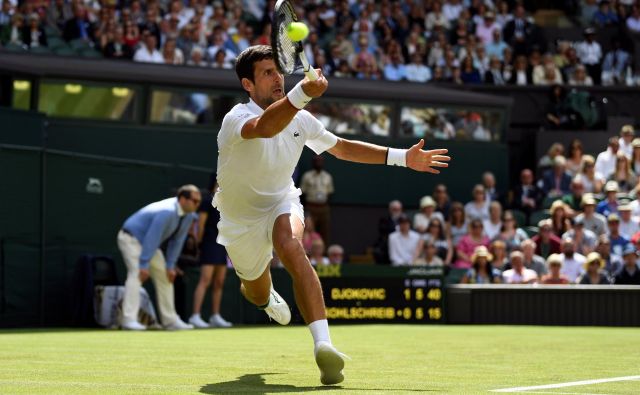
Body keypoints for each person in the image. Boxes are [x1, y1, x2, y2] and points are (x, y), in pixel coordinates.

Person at [214, 45, 449, 385]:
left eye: (279, 71)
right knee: (255, 290)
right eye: (267, 73)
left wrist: (402, 157)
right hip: (239, 221)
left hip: (282, 200)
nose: (277, 77)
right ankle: (265, 298)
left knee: (290, 245)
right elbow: (265, 127)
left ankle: (324, 345)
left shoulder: (301, 118)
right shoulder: (235, 118)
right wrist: (302, 94)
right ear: (248, 85)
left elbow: (341, 147)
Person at [117, 185, 201, 330]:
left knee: (166, 276)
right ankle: (128, 319)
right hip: (131, 238)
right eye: (194, 201)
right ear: (182, 199)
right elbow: (152, 237)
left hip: (149, 244)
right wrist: (144, 264)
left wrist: (170, 265)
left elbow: (178, 241)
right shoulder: (166, 211)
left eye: (198, 201)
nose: (197, 204)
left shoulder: (189, 216)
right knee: (137, 274)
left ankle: (170, 320)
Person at [189, 178, 232, 329]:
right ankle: (195, 315)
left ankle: (215, 316)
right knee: (205, 280)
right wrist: (199, 244)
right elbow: (200, 224)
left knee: (219, 281)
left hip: (222, 244)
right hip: (208, 243)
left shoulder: (227, 203)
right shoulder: (207, 200)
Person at [300, 155, 334, 244]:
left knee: (325, 231)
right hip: (311, 207)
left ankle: (324, 254)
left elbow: (330, 192)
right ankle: (309, 253)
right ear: (313, 163)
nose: (318, 163)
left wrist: (325, 204)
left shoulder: (327, 176)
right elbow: (302, 192)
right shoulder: (307, 176)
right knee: (309, 230)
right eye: (316, 161)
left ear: (323, 163)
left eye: (320, 161)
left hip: (324, 207)